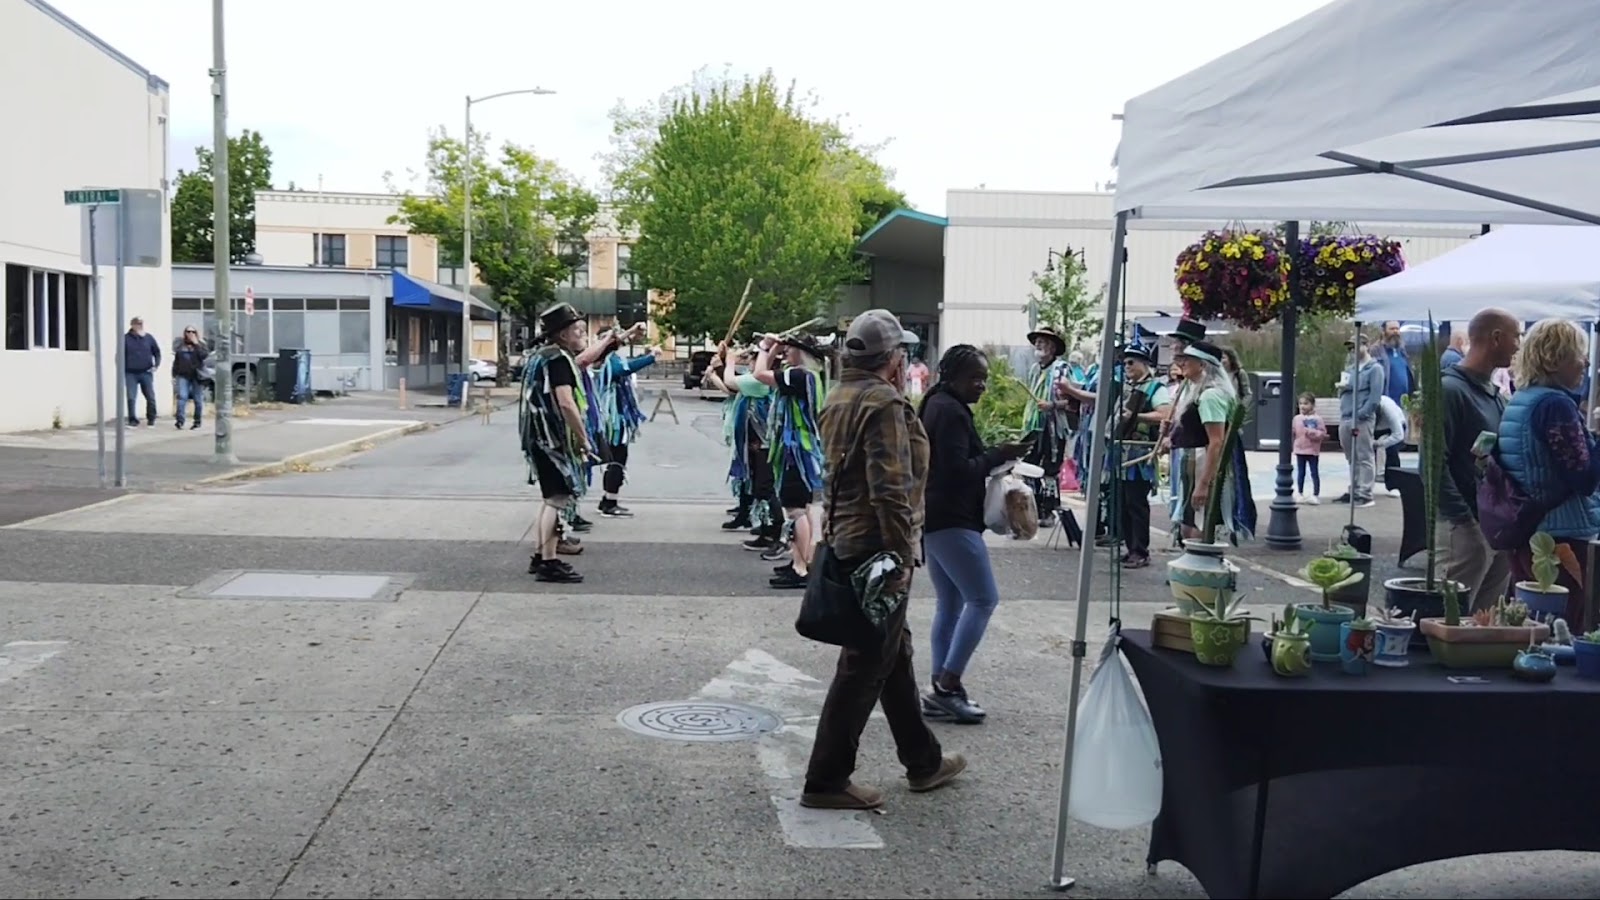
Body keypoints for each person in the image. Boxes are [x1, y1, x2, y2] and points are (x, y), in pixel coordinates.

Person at [803, 309, 964, 811]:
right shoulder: (884, 403)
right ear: (893, 358)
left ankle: (923, 760)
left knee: (893, 654)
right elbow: (889, 489)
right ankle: (826, 780)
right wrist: (899, 557)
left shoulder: (839, 395)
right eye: (902, 354)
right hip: (875, 550)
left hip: (847, 541)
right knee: (865, 663)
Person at [917, 345, 1030, 724]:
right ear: (952, 377)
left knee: (950, 604)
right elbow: (956, 471)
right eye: (975, 378)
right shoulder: (949, 411)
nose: (981, 385)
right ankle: (948, 684)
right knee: (982, 599)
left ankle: (940, 687)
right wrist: (998, 455)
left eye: (984, 378)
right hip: (952, 518)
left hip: (936, 517)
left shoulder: (936, 403)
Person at [1496, 319, 1600, 628]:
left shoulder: (1524, 399)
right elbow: (1583, 479)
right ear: (1554, 359)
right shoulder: (1555, 405)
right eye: (1579, 354)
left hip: (1532, 531)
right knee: (1565, 626)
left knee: (1531, 624)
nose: (1586, 362)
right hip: (1561, 538)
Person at [1440, 308, 1521, 611]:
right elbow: (1433, 464)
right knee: (1449, 617)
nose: (1518, 346)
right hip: (1465, 527)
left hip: (1493, 526)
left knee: (1484, 619)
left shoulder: (1495, 396)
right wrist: (1463, 521)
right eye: (1516, 337)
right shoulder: (1450, 391)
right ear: (1496, 338)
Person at [519, 302, 596, 584]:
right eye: (578, 330)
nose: (582, 334)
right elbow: (565, 402)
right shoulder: (558, 360)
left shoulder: (541, 356)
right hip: (551, 440)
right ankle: (549, 562)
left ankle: (541, 556)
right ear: (563, 334)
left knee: (550, 498)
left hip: (538, 438)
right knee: (557, 499)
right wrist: (583, 438)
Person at [755, 332, 831, 589]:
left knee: (795, 509)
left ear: (803, 352)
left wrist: (765, 348)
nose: (785, 351)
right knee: (801, 507)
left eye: (790, 348)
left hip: (797, 450)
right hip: (801, 450)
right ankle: (801, 560)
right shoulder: (808, 376)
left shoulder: (799, 376)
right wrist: (774, 350)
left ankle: (800, 567)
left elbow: (760, 374)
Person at [1168, 342, 1241, 543]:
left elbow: (1216, 442)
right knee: (1188, 525)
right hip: (1192, 462)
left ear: (1203, 365)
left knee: (1198, 525)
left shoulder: (1210, 396)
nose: (1182, 363)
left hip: (1202, 463)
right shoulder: (1198, 392)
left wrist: (1203, 483)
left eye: (1188, 360)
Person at [1112, 345, 1171, 567]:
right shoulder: (1127, 387)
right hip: (1121, 452)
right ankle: (1131, 548)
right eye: (1125, 362)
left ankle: (1140, 551)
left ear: (1145, 364)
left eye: (1131, 362)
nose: (1126, 366)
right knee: (1122, 503)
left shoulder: (1156, 388)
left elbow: (1165, 414)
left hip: (1140, 454)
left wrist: (1136, 416)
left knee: (1136, 503)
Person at [593, 324, 658, 518]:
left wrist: (633, 334)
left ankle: (607, 499)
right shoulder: (606, 360)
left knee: (617, 457)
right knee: (617, 458)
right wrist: (651, 357)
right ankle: (610, 503)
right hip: (612, 416)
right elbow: (623, 369)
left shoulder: (605, 357)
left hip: (615, 414)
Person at [1021, 326, 1072, 525]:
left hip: (1053, 427)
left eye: (1042, 342)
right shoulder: (1035, 369)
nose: (1038, 345)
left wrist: (1052, 405)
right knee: (1029, 467)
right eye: (1036, 342)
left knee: (1050, 468)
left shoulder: (1062, 369)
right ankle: (1033, 509)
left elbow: (1072, 402)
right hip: (1034, 426)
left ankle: (1049, 511)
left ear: (1052, 347)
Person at [1336, 335, 1386, 508]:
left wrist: (1361, 414)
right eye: (1350, 348)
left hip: (1362, 418)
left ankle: (1365, 493)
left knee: (1364, 455)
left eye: (1355, 346)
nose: (1352, 351)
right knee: (1351, 457)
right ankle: (1355, 489)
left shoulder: (1375, 369)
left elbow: (1374, 398)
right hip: (1346, 416)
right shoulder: (1350, 369)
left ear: (1366, 346)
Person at [123, 317, 161, 427]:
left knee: (150, 396)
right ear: (132, 325)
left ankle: (151, 418)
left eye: (140, 324)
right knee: (131, 397)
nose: (139, 326)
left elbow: (157, 352)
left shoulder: (148, 338)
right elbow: (120, 355)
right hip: (131, 373)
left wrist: (156, 365)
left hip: (146, 372)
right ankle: (132, 420)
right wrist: (122, 369)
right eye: (137, 324)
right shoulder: (125, 339)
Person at [171, 326, 209, 430]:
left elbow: (204, 356)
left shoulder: (200, 344)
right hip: (183, 375)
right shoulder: (181, 345)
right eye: (188, 331)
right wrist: (174, 375)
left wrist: (196, 344)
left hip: (197, 376)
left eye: (193, 332)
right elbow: (176, 361)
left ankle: (197, 421)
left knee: (198, 399)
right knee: (182, 397)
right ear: (185, 333)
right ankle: (180, 420)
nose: (190, 333)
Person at [1292, 392, 1326, 505]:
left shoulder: (1317, 419)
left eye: (1306, 403)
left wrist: (1312, 432)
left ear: (1312, 405)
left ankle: (1315, 494)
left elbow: (1322, 433)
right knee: (1300, 472)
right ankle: (1300, 493)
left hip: (1312, 450)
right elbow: (1293, 431)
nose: (1302, 406)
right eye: (1300, 403)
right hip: (1300, 449)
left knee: (1314, 472)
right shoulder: (1297, 419)